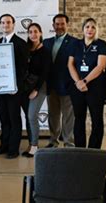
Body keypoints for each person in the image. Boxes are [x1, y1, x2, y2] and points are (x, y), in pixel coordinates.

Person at [0, 14, 27, 159]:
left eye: (8, 22)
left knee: (14, 119)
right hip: (1, 89)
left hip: (14, 90)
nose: (5, 25)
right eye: (3, 22)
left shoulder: (21, 43)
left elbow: (23, 69)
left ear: (13, 24)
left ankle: (13, 149)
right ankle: (3, 145)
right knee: (4, 119)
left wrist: (15, 86)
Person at [68, 18, 106, 149]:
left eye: (93, 27)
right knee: (79, 119)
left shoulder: (101, 44)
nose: (90, 29)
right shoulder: (76, 44)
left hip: (95, 88)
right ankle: (79, 149)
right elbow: (70, 64)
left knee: (96, 120)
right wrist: (78, 82)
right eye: (87, 27)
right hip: (78, 87)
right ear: (83, 29)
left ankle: (94, 150)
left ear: (96, 30)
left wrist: (85, 81)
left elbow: (100, 66)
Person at [43, 14, 76, 148]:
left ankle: (69, 142)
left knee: (68, 116)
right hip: (51, 86)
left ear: (67, 25)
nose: (59, 26)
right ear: (53, 25)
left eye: (62, 24)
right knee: (53, 115)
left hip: (68, 85)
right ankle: (53, 141)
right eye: (57, 24)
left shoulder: (75, 42)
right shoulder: (46, 42)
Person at [22, 23, 51, 158]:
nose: (33, 34)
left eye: (35, 31)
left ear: (40, 33)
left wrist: (36, 90)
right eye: (30, 32)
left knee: (32, 116)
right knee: (29, 116)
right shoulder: (26, 49)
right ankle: (31, 143)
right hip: (25, 86)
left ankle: (34, 145)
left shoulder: (45, 51)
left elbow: (45, 73)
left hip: (39, 87)